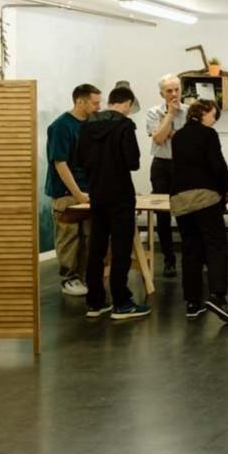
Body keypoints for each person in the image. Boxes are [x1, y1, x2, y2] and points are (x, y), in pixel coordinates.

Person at [77, 84, 149, 320]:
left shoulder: (88, 124)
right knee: (120, 249)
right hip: (120, 194)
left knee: (96, 248)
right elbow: (133, 162)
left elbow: (80, 158)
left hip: (97, 193)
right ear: (127, 104)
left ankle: (95, 302)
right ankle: (122, 302)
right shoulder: (125, 125)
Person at [171, 99, 228, 325]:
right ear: (203, 112)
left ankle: (192, 302)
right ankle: (218, 296)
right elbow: (217, 164)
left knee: (190, 249)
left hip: (180, 199)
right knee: (216, 245)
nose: (214, 120)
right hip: (205, 197)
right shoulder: (208, 135)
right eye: (213, 115)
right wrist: (226, 190)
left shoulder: (178, 136)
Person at [46, 84, 102, 297]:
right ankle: (69, 278)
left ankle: (84, 275)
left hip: (89, 190)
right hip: (66, 192)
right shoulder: (61, 127)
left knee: (88, 236)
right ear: (80, 101)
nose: (98, 107)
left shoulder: (92, 124)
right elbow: (61, 164)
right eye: (95, 103)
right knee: (69, 237)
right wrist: (78, 194)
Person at [145, 74, 187, 277]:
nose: (173, 94)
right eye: (169, 90)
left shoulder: (189, 112)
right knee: (162, 215)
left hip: (184, 166)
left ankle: (192, 257)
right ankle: (169, 260)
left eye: (176, 89)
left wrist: (172, 133)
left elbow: (190, 141)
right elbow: (160, 139)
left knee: (187, 212)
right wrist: (169, 115)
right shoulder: (154, 113)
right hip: (161, 165)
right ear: (162, 93)